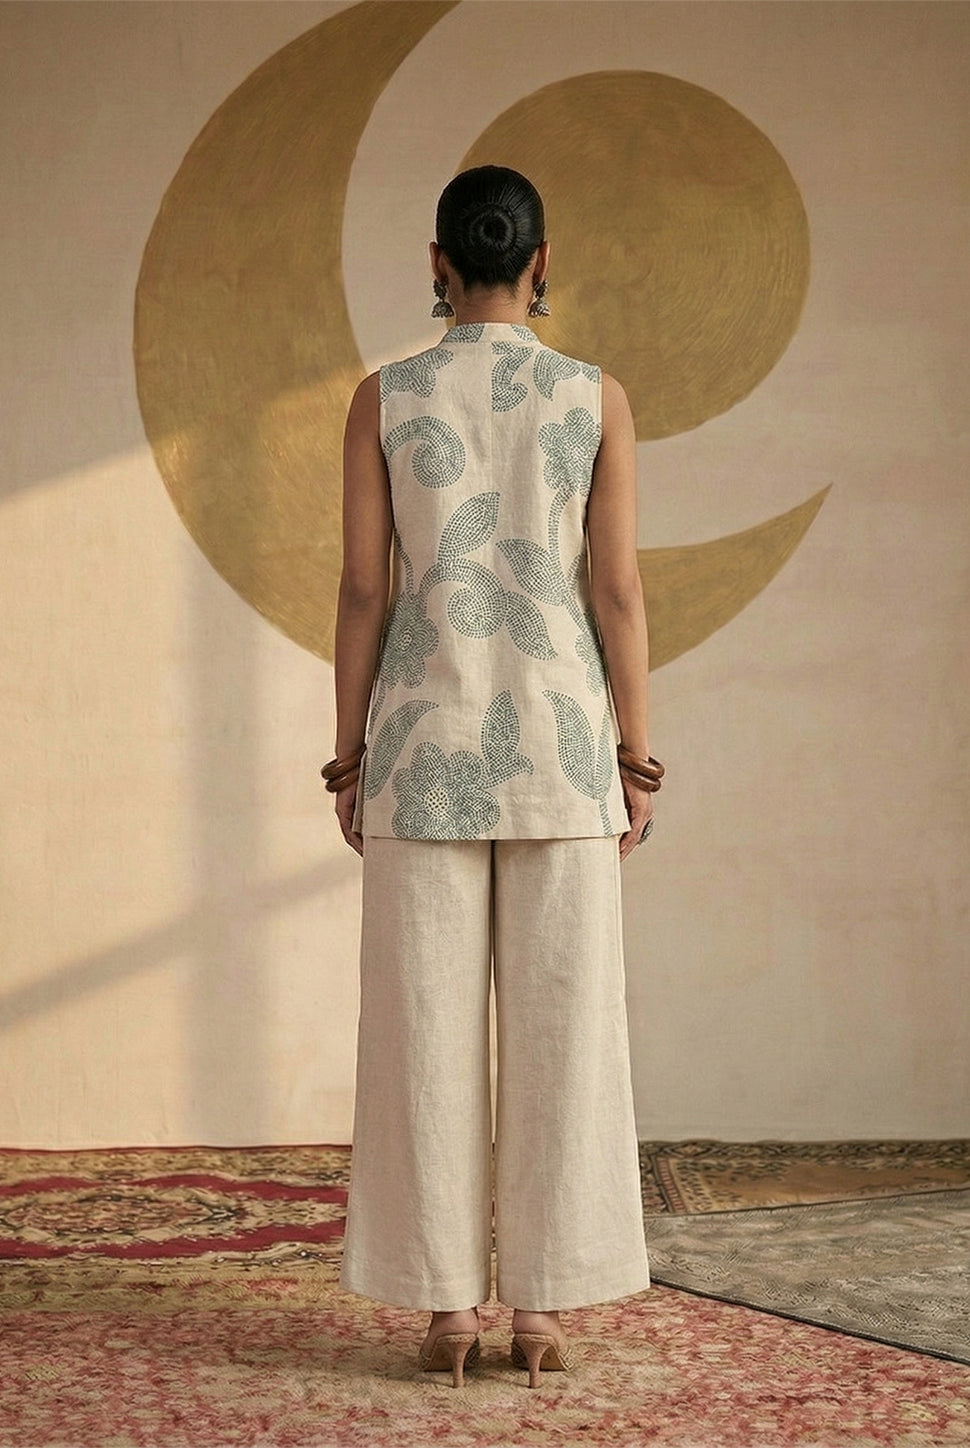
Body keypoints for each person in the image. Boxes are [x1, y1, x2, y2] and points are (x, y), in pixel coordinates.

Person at [323, 165, 663, 1390]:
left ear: (438, 262)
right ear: (541, 261)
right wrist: (634, 757)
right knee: (566, 1025)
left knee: (421, 1030)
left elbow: (365, 587)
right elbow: (613, 589)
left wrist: (348, 755)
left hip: (423, 742)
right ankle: (543, 1306)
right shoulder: (594, 397)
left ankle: (445, 1311)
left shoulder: (384, 396)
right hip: (562, 744)